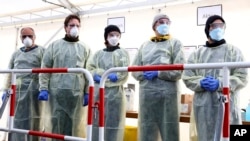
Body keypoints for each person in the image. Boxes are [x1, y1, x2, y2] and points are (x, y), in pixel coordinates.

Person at [182, 15, 248, 141]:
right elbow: (187, 77)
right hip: (203, 109)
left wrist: (221, 83)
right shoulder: (197, 55)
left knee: (227, 136)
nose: (218, 28)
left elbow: (242, 77)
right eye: (214, 25)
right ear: (207, 29)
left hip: (227, 108)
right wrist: (200, 82)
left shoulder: (234, 51)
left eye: (221, 26)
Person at [131, 13, 185, 141]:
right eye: (161, 22)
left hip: (168, 97)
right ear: (154, 26)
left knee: (169, 130)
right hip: (147, 97)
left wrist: (159, 72)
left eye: (167, 22)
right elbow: (134, 69)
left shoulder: (175, 44)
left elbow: (179, 70)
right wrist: (142, 73)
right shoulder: (144, 46)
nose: (164, 24)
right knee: (147, 129)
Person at [38, 14, 91, 140]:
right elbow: (45, 68)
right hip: (57, 95)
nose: (75, 28)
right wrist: (43, 88)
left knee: (76, 127)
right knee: (56, 126)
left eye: (77, 26)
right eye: (72, 25)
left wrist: (87, 91)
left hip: (76, 95)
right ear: (65, 27)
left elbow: (89, 72)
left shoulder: (85, 48)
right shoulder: (54, 46)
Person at [87, 25, 130, 141]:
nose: (114, 37)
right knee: (96, 124)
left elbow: (124, 74)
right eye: (111, 35)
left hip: (115, 96)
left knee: (113, 126)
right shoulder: (97, 54)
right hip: (98, 94)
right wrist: (102, 75)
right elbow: (90, 70)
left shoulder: (123, 53)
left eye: (117, 35)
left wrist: (103, 76)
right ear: (106, 37)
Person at [2, 27, 45, 141]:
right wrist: (6, 89)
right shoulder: (16, 54)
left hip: (34, 92)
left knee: (33, 120)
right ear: (20, 38)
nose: (27, 39)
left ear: (34, 37)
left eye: (30, 36)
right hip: (17, 92)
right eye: (24, 36)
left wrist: (45, 88)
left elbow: (46, 71)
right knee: (16, 120)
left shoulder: (42, 51)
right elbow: (9, 72)